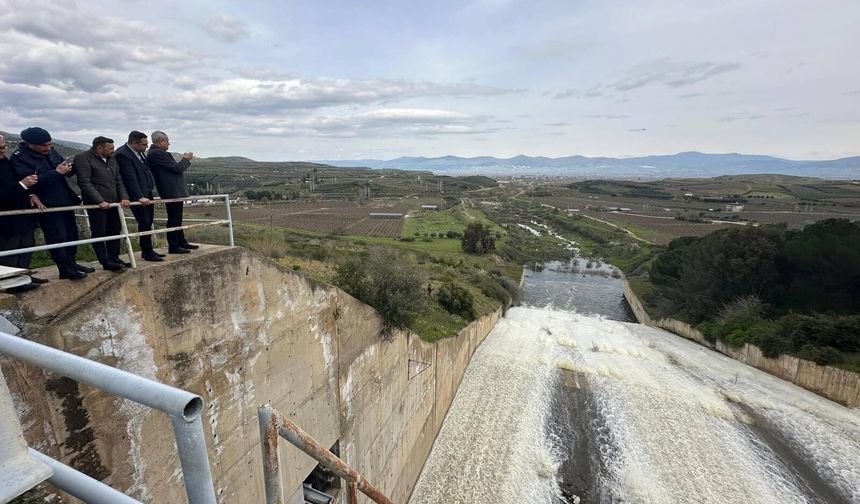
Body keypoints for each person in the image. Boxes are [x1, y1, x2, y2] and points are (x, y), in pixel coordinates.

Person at [11, 127, 91, 280]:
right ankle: (64, 267)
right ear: (30, 144)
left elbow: (62, 168)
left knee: (71, 234)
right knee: (57, 236)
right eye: (44, 146)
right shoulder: (20, 158)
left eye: (49, 144)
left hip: (65, 198)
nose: (48, 148)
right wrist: (56, 172)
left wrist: (68, 168)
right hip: (47, 202)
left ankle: (72, 262)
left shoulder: (51, 151)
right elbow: (30, 182)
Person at [74, 136, 131, 271]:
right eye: (110, 148)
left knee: (115, 230)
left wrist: (123, 197)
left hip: (114, 203)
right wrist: (99, 200)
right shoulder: (83, 158)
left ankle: (114, 257)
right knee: (99, 232)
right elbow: (84, 182)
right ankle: (105, 261)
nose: (113, 150)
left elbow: (118, 180)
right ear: (100, 148)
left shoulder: (112, 159)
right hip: (96, 204)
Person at [0, 134, 47, 289]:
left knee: (27, 245)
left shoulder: (5, 161)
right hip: (6, 218)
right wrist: (22, 184)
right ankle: (12, 283)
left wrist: (30, 193)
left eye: (4, 146)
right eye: (1, 148)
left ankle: (24, 276)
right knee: (11, 250)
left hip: (21, 212)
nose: (4, 150)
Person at [115, 131, 163, 262]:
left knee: (149, 222)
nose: (146, 147)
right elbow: (129, 177)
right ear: (134, 143)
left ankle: (147, 250)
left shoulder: (139, 152)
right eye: (144, 144)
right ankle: (147, 252)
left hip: (146, 191)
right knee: (144, 222)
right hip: (137, 195)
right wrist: (138, 196)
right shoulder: (122, 154)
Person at [147, 131, 196, 254]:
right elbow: (177, 169)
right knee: (174, 219)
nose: (169, 143)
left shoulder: (158, 153)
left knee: (177, 218)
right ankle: (174, 245)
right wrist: (186, 159)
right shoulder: (157, 154)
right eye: (167, 141)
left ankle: (181, 241)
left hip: (173, 190)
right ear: (161, 141)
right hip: (170, 191)